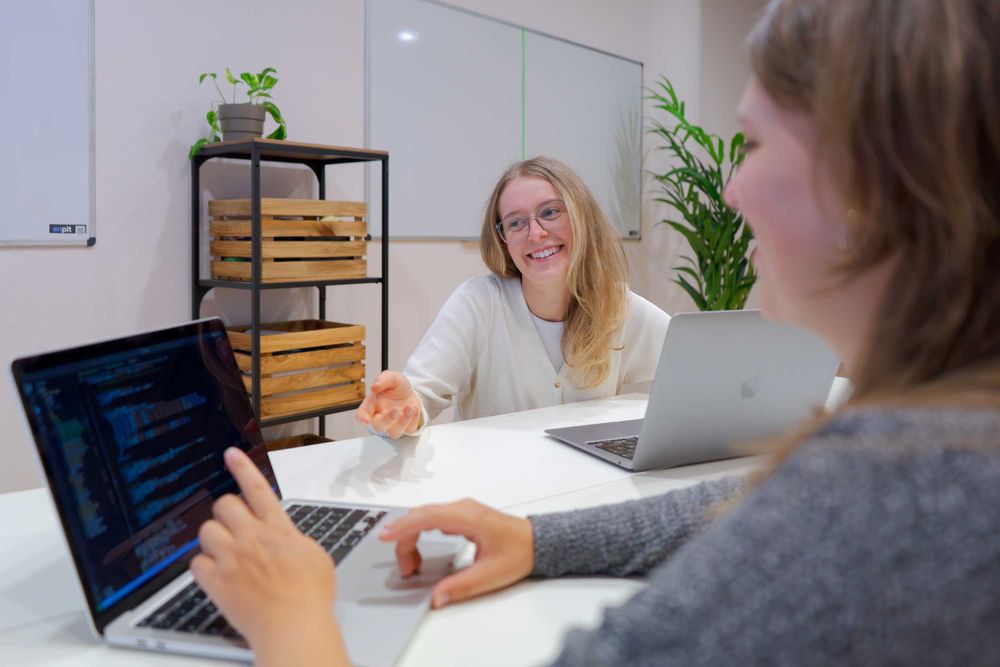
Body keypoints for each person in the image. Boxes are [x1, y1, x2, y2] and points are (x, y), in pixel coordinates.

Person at [190, 0, 1000, 664]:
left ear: (870, 180)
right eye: (516, 223)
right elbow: (726, 503)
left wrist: (293, 621)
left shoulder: (892, 494)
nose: (734, 187)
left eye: (751, 143)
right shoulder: (926, 451)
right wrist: (537, 538)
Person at [354, 156, 671, 438]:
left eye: (550, 212)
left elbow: (693, 373)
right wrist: (402, 410)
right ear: (503, 240)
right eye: (516, 223)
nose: (536, 234)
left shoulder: (619, 307)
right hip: (493, 495)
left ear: (582, 218)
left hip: (587, 491)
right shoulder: (478, 304)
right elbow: (418, 396)